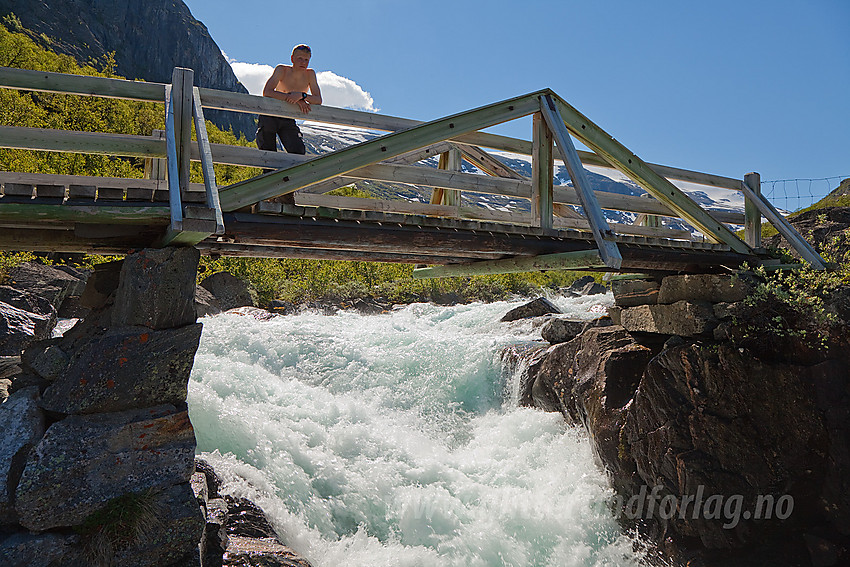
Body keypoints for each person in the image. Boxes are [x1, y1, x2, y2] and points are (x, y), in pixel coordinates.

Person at [256, 44, 323, 204]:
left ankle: (286, 191)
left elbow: (318, 100)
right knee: (268, 152)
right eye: (300, 58)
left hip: (288, 119)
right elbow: (268, 92)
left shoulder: (310, 74)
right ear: (292, 58)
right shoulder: (282, 70)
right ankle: (268, 194)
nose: (303, 62)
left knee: (298, 150)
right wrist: (290, 98)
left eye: (306, 59)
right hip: (270, 114)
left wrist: (301, 96)